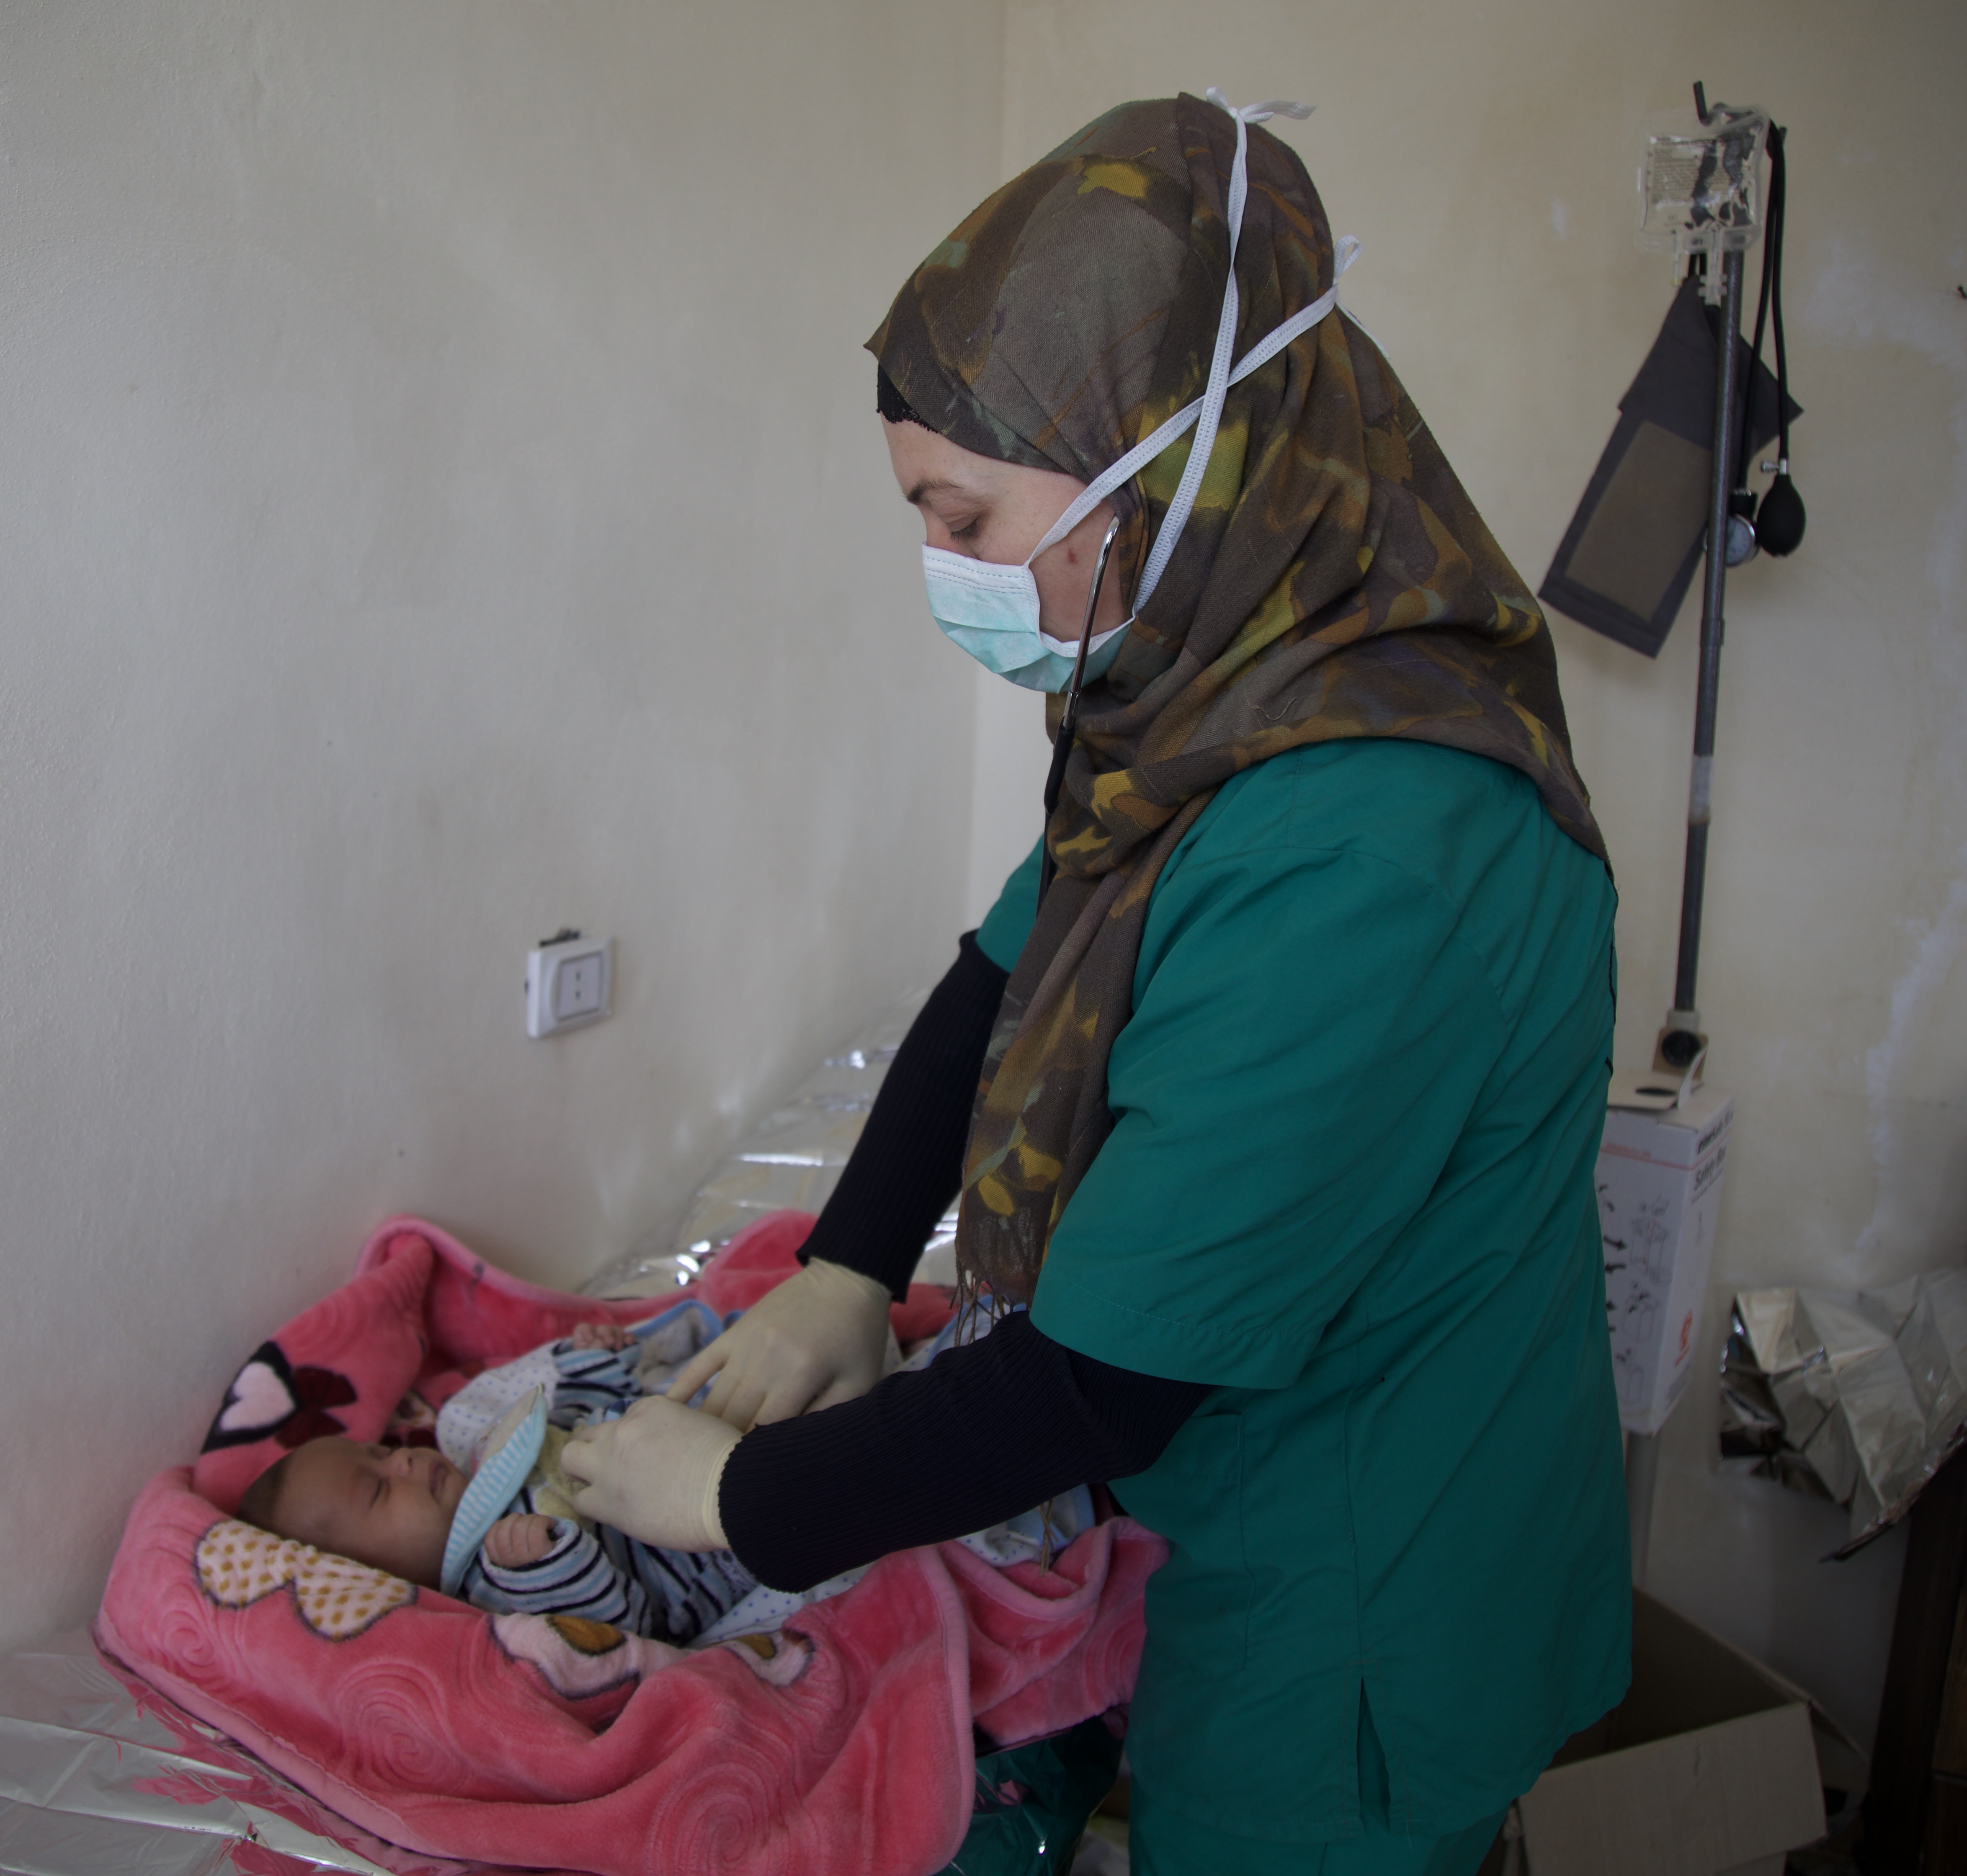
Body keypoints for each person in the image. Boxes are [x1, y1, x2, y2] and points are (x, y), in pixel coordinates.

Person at [561, 92, 1630, 1873]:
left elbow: (1096, 1388)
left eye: (965, 518)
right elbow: (998, 974)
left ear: (1173, 465)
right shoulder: (1190, 709)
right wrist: (842, 1265)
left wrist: (738, 1501)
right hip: (1240, 1506)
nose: (943, 575)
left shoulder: (1363, 849)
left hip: (1353, 1603)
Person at [234, 1322, 762, 1645]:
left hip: (691, 1421)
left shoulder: (483, 1453)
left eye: (381, 1453)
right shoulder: (493, 1582)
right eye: (378, 1491)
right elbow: (623, 1630)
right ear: (373, 1577)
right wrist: (550, 1565)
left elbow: (575, 1416)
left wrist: (596, 1358)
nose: (404, 1465)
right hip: (711, 1544)